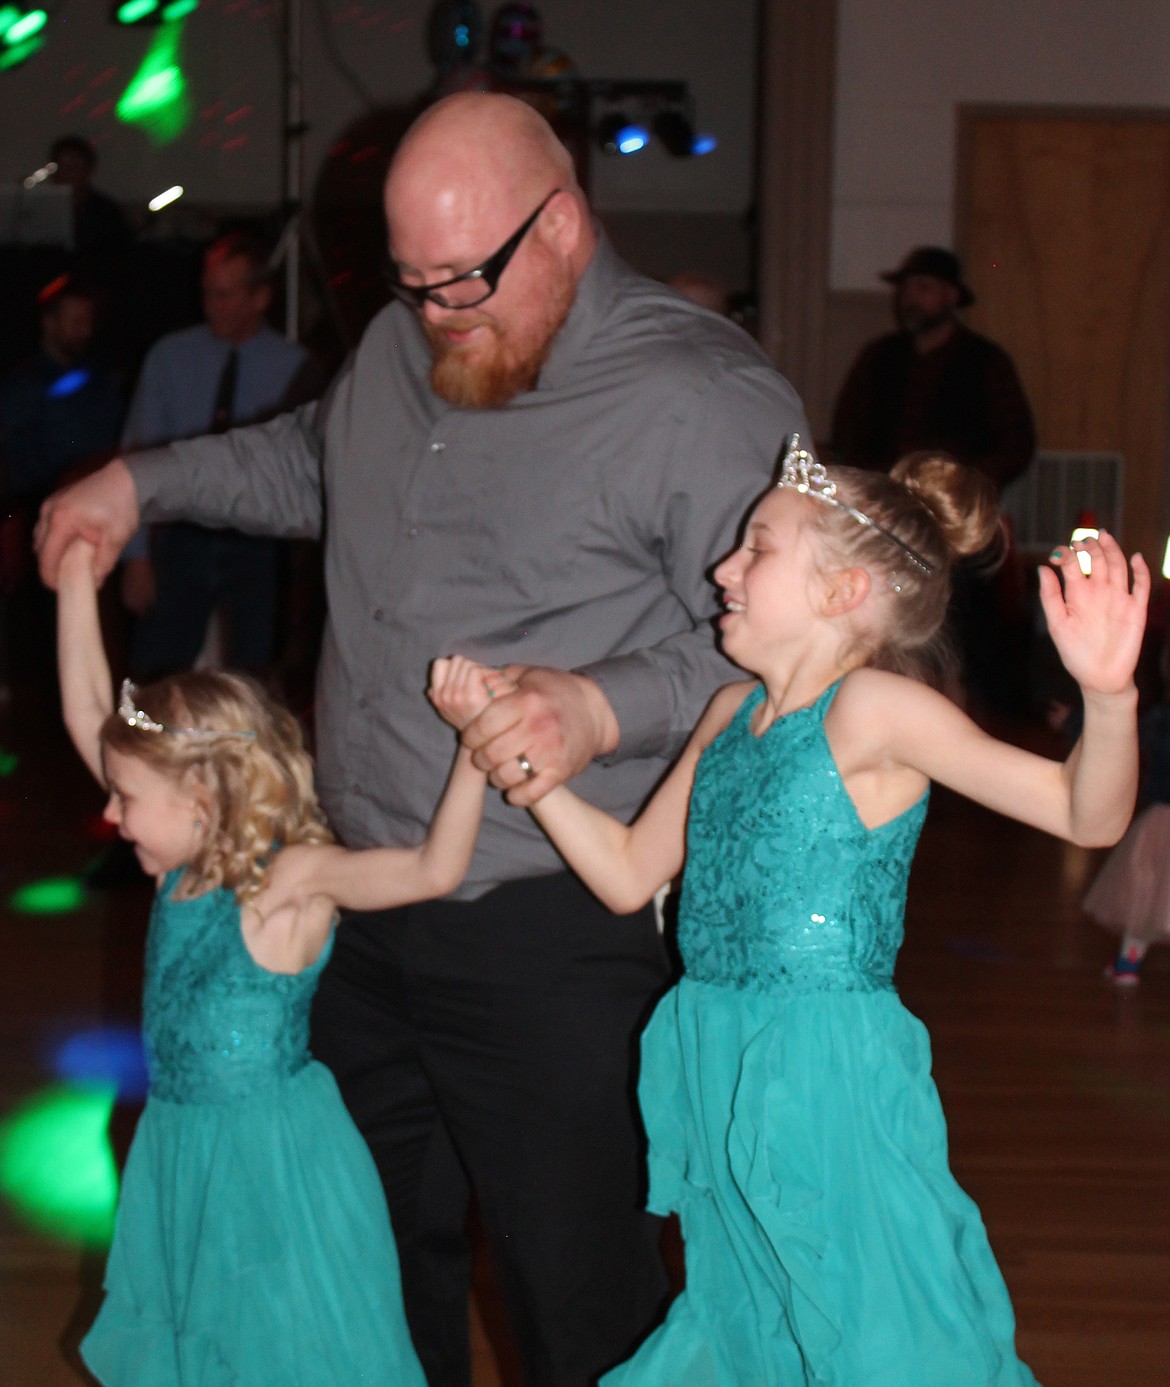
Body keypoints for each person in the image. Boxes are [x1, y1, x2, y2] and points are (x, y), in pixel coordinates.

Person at [36, 91, 807, 1387]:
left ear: (561, 224)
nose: (433, 311)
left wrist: (603, 700)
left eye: (462, 280)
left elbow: (793, 641)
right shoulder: (405, 341)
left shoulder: (702, 396)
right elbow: (310, 463)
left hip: (549, 926)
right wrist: (142, 482)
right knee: (369, 1280)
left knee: (580, 1294)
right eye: (408, 279)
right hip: (351, 899)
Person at [432, 440, 1148, 1386]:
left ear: (842, 590)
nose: (721, 568)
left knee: (869, 1328)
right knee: (754, 1314)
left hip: (828, 1077)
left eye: (755, 548)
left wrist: (1108, 695)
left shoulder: (874, 710)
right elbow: (624, 873)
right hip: (717, 1063)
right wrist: (511, 754)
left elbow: (1083, 812)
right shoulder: (729, 714)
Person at [55, 535, 495, 1387]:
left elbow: (431, 869)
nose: (111, 815)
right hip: (183, 1158)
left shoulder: (287, 881)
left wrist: (473, 749)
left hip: (276, 1174)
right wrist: (77, 575)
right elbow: (85, 714)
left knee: (284, 1354)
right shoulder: (182, 863)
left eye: (126, 798)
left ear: (202, 795)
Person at [119, 230, 307, 678]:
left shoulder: (294, 368)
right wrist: (136, 556)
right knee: (158, 677)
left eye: (226, 295)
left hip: (259, 541)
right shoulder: (170, 358)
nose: (212, 306)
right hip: (182, 537)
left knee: (253, 677)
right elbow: (138, 453)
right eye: (207, 293)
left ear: (260, 297)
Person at [831, 246, 1035, 490]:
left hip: (954, 501)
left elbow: (1016, 443)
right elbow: (848, 430)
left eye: (923, 288)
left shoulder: (985, 361)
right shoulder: (879, 357)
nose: (910, 298)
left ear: (952, 296)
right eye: (905, 289)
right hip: (885, 496)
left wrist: (967, 484)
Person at [49, 134, 134, 258]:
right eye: (64, 165)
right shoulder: (42, 210)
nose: (69, 172)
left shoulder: (107, 211)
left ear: (88, 169)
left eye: (75, 165)